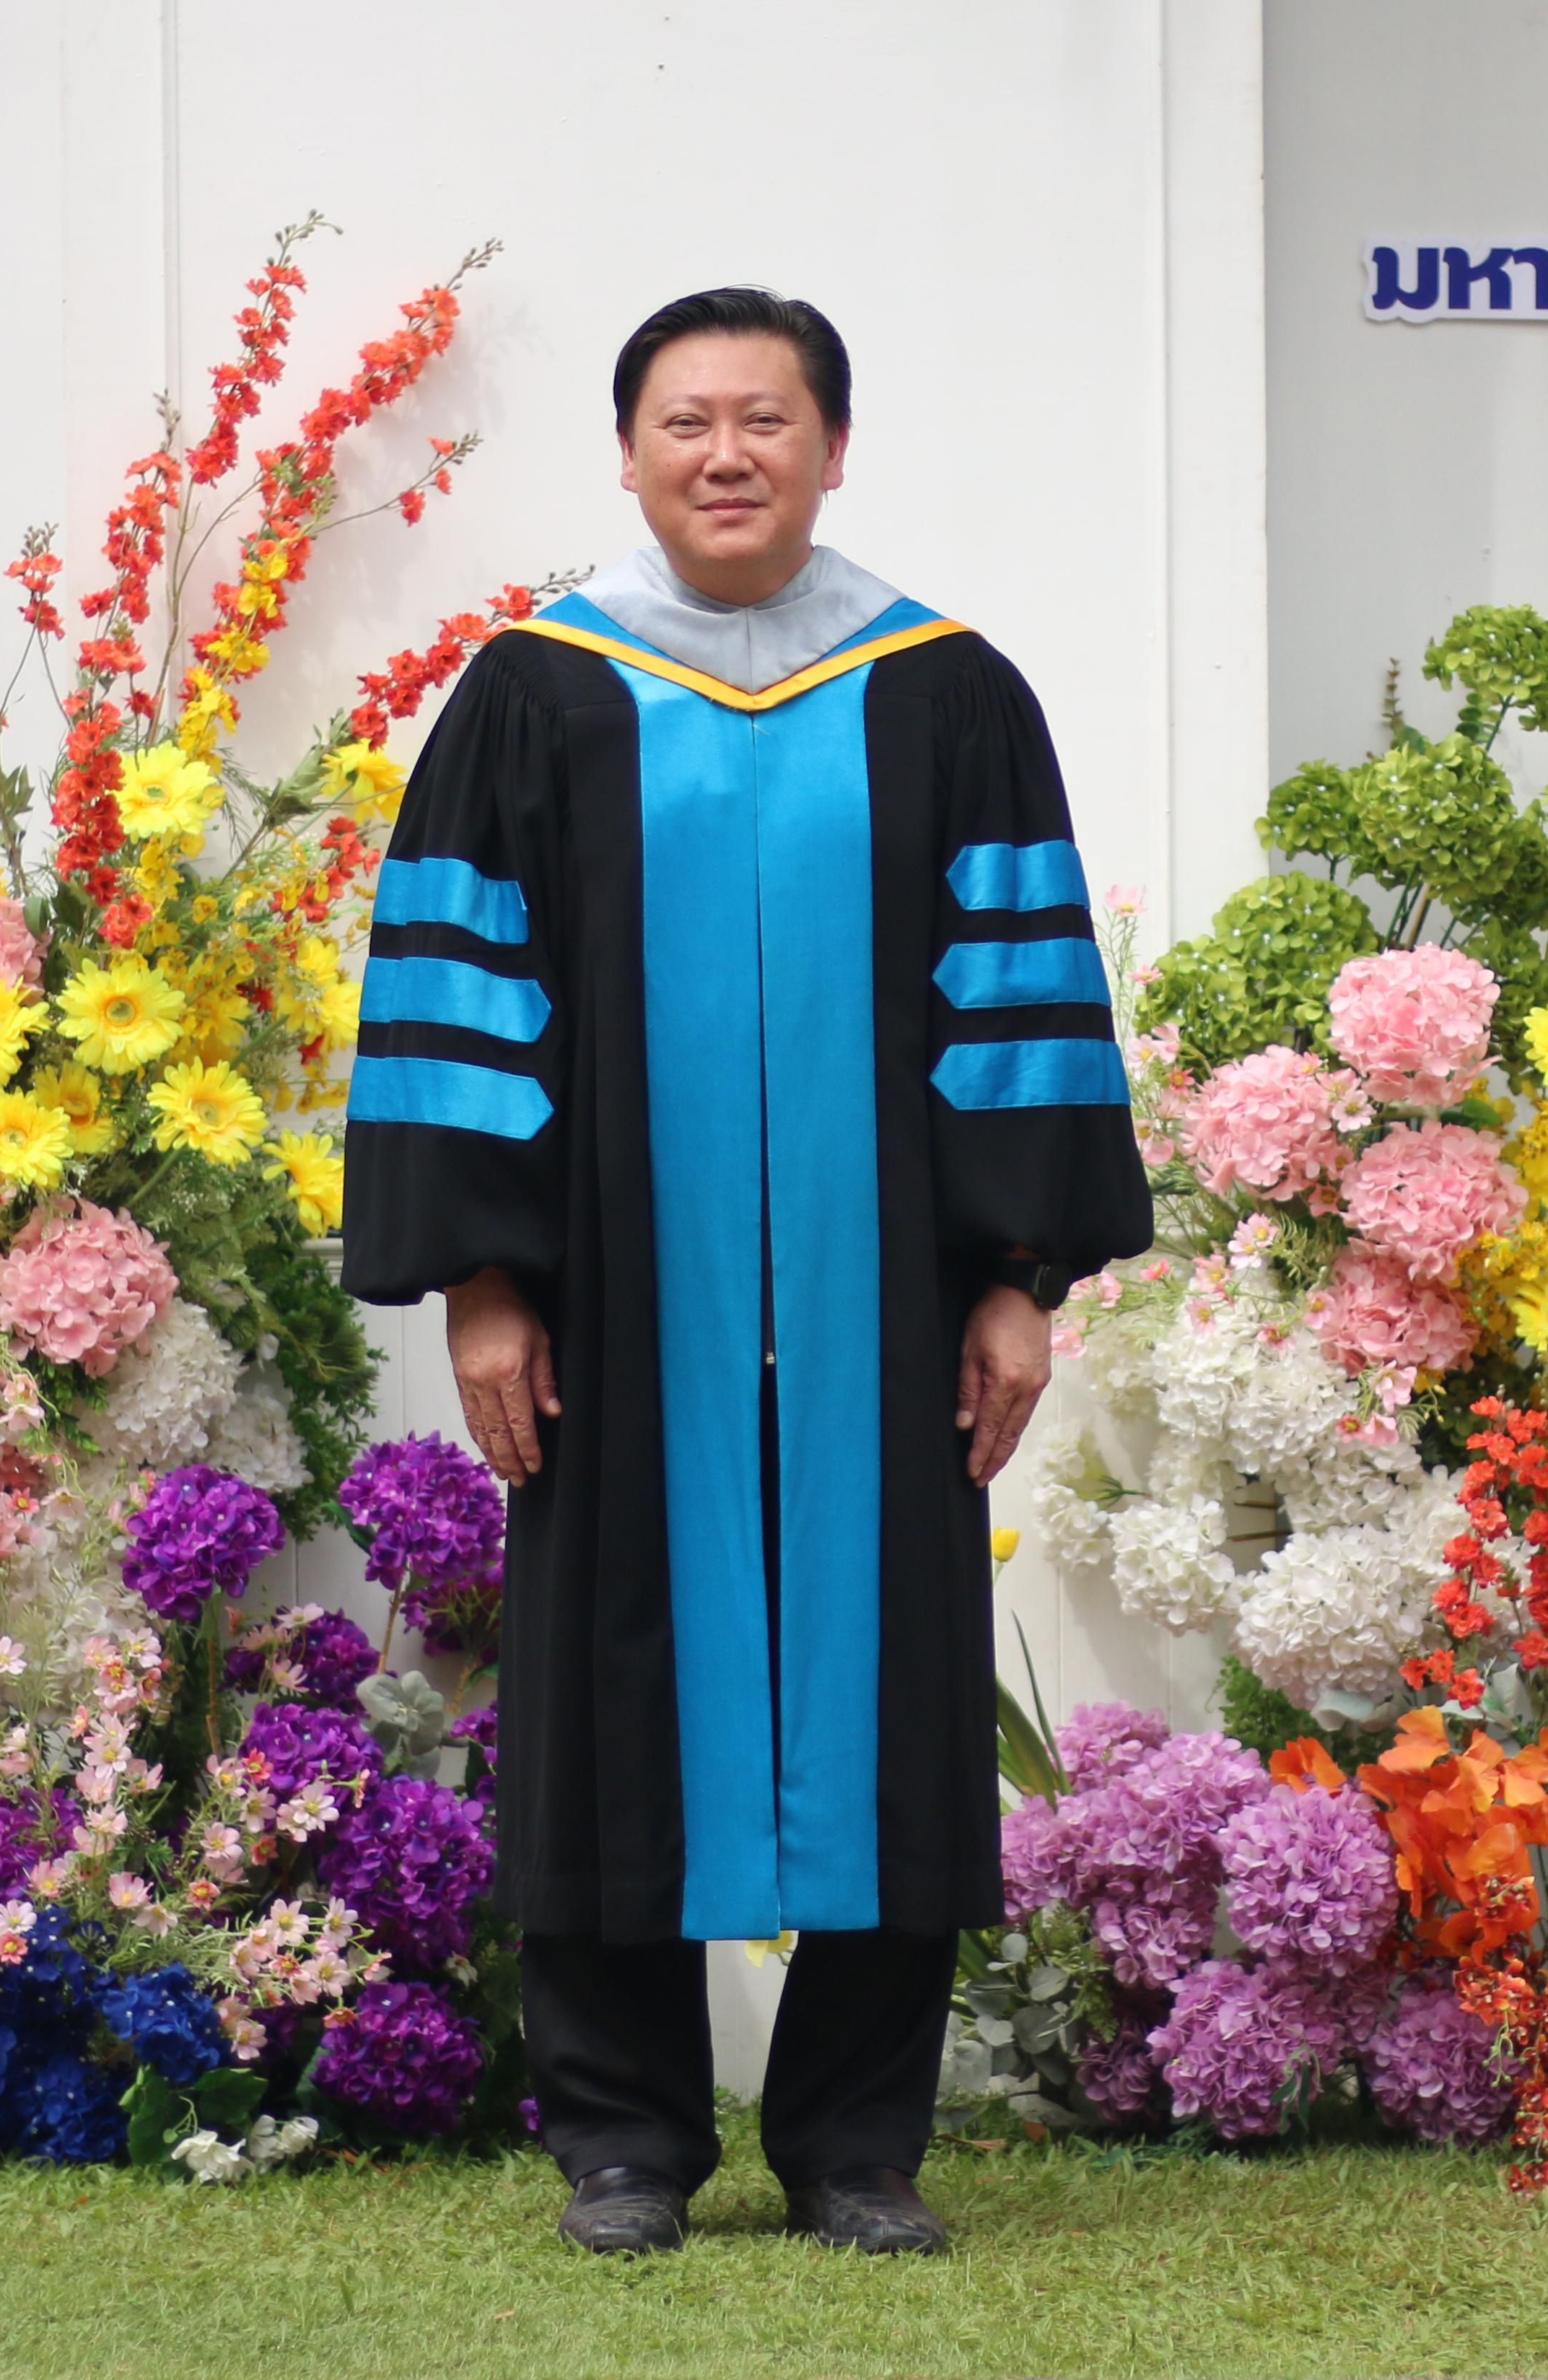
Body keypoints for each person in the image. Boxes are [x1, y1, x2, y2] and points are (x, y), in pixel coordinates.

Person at [342, 290, 1150, 2255]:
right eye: (688, 420)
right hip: (619, 1310)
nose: (729, 451)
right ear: (627, 453)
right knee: (610, 1678)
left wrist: (1020, 1274)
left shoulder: (948, 695)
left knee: (893, 1684)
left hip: (883, 1321)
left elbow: (1014, 1012)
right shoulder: (537, 692)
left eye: (766, 419)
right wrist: (486, 1289)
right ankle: (623, 2138)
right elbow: (467, 1004)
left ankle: (857, 2145)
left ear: (832, 446)